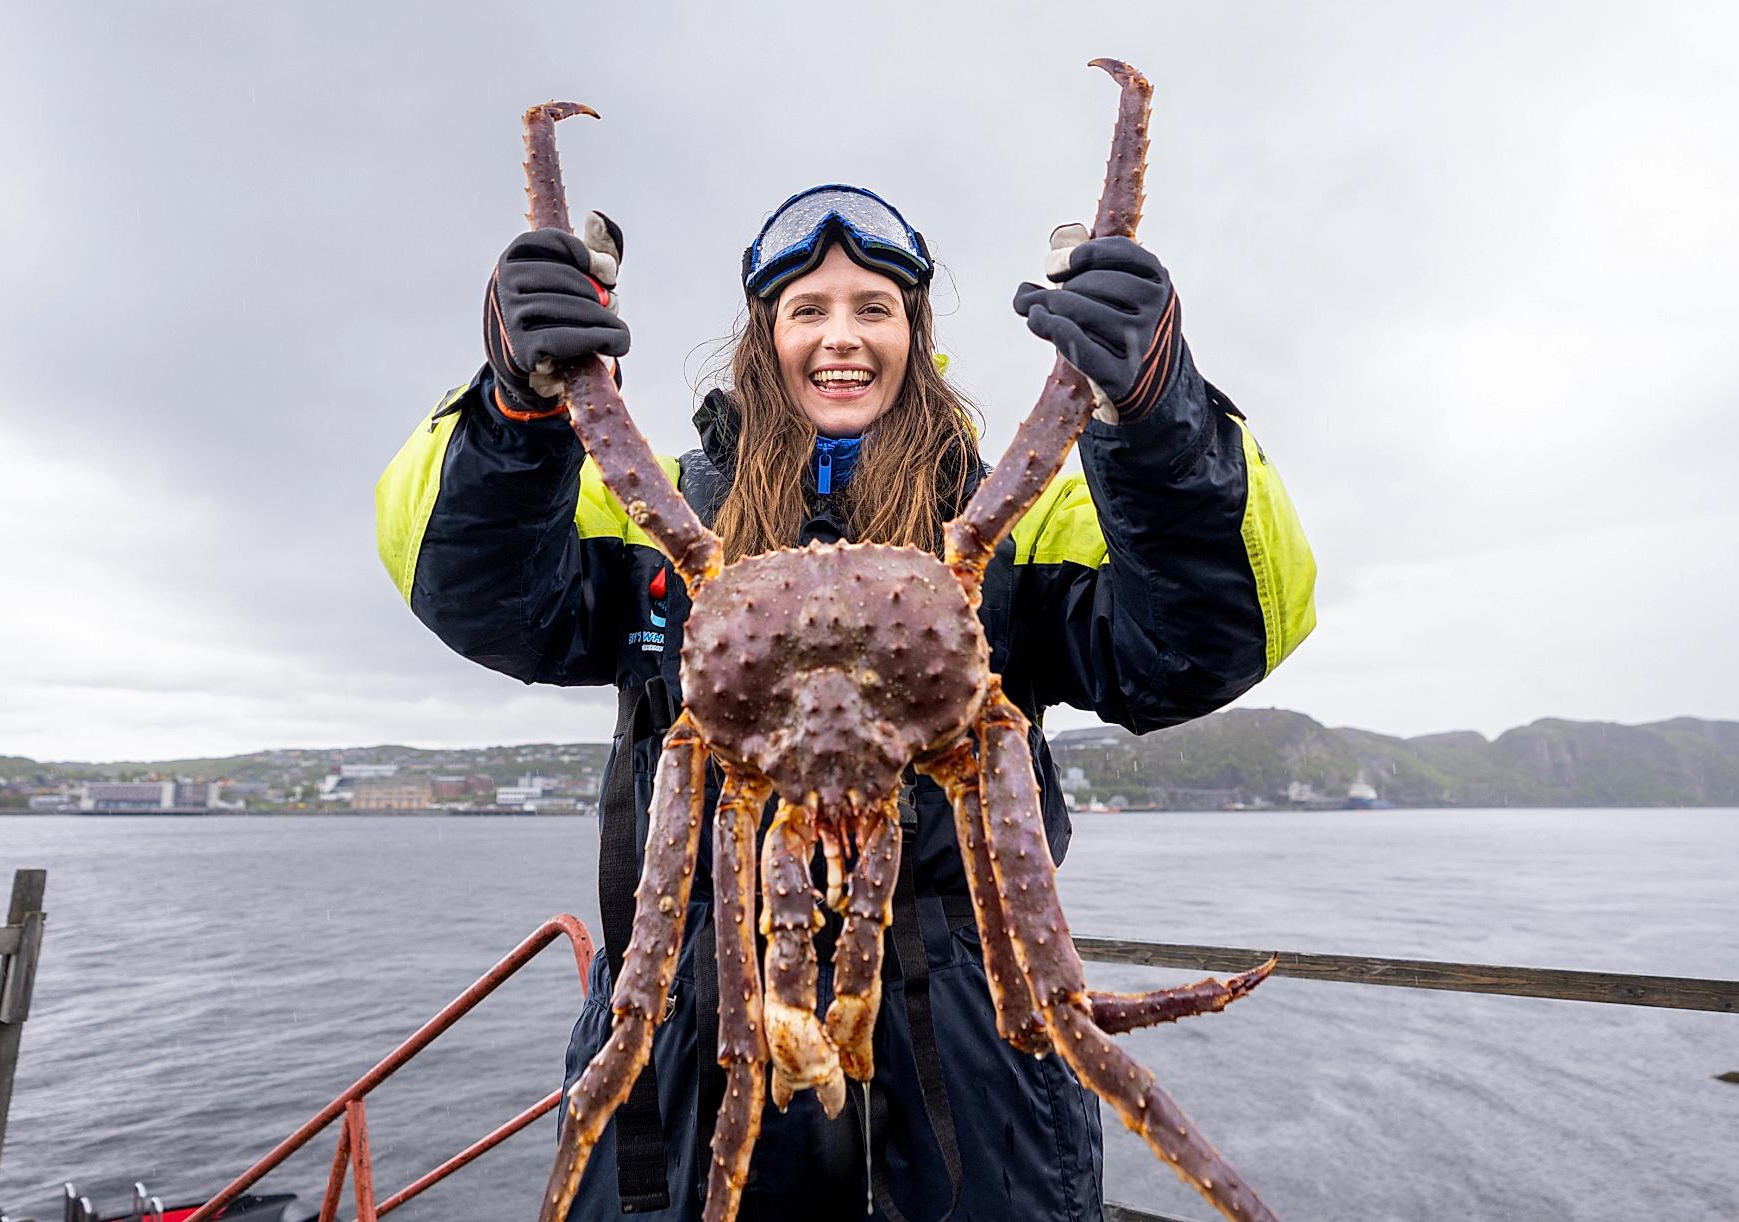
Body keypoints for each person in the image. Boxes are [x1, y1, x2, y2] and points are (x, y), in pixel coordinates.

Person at [375, 184, 1315, 1221]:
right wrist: (515, 410)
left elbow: (1206, 643)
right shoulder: (661, 509)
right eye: (806, 310)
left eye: (874, 307)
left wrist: (1155, 416)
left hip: (973, 1052)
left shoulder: (1011, 513)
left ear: (913, 332)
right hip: (688, 1038)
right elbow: (473, 589)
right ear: (761, 335)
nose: (841, 338)